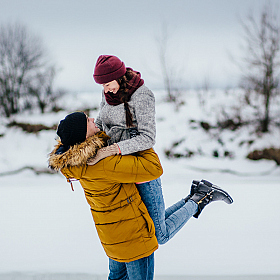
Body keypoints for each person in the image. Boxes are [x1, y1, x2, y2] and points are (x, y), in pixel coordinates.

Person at [48, 112, 233, 280]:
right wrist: (140, 142)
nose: (92, 119)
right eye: (87, 121)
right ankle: (199, 198)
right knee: (163, 234)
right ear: (83, 135)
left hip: (113, 240)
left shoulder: (76, 165)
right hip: (134, 240)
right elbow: (153, 168)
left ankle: (196, 197)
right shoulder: (101, 163)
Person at [91, 54, 234, 246]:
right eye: (102, 86)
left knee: (159, 235)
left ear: (119, 76)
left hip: (142, 169)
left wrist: (113, 149)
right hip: (123, 170)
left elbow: (147, 137)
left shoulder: (142, 95)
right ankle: (196, 195)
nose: (105, 89)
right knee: (148, 225)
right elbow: (102, 121)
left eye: (107, 83)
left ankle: (200, 198)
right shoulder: (108, 94)